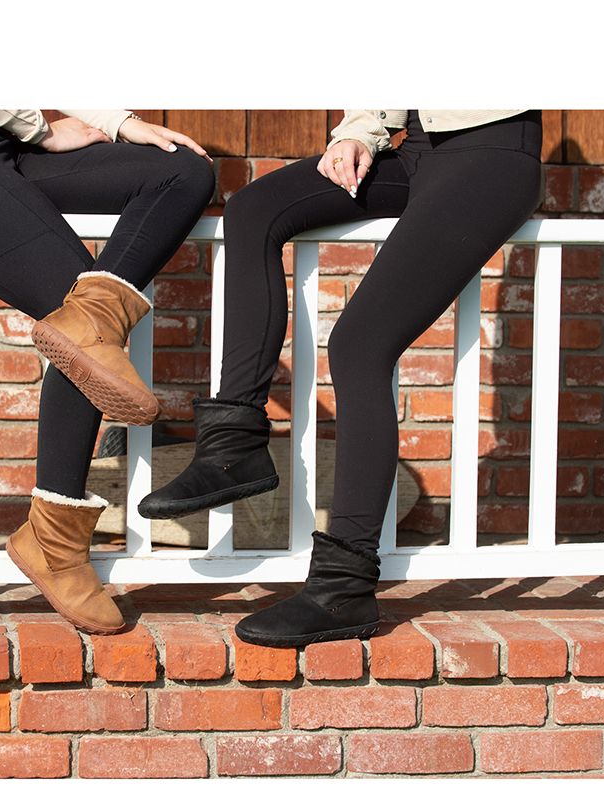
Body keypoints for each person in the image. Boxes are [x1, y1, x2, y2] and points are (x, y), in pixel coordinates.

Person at [139, 109, 543, 647]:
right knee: (254, 208)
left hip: (491, 155)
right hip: (415, 149)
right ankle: (231, 446)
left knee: (359, 345)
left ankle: (343, 589)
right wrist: (359, 134)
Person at [0, 109, 214, 635]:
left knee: (182, 169)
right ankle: (55, 541)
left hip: (0, 147)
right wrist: (42, 129)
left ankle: (95, 324)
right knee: (77, 315)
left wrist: (116, 122)